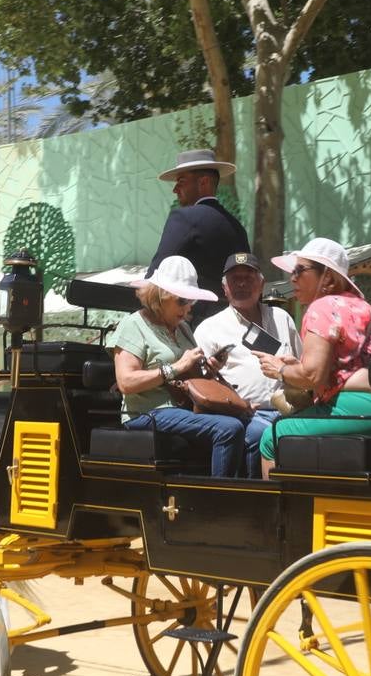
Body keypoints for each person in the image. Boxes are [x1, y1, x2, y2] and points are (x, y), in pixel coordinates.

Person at [252, 238, 371, 478]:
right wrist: (297, 367)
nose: (292, 278)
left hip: (356, 407)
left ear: (329, 278)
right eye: (293, 271)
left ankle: (278, 511)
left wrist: (279, 370)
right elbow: (345, 364)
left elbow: (313, 376)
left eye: (300, 270)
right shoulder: (365, 308)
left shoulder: (322, 307)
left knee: (270, 438)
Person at [108, 255, 247, 478]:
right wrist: (177, 367)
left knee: (248, 425)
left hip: (182, 408)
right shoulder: (133, 324)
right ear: (159, 296)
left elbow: (189, 374)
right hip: (146, 413)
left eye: (191, 301)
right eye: (182, 300)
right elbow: (126, 382)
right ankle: (219, 504)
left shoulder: (183, 329)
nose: (187, 307)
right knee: (229, 429)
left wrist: (208, 368)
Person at [193, 252, 302, 478]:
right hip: (245, 414)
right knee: (258, 434)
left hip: (291, 410)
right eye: (235, 279)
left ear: (261, 284)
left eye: (249, 277)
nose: (242, 283)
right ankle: (255, 503)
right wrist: (209, 371)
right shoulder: (209, 328)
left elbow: (303, 365)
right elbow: (197, 381)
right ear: (224, 288)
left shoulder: (282, 318)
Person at [148, 149, 250, 317]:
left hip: (190, 324)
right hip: (234, 324)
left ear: (204, 182)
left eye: (181, 181)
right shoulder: (238, 228)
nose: (175, 189)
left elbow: (154, 276)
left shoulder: (184, 217)